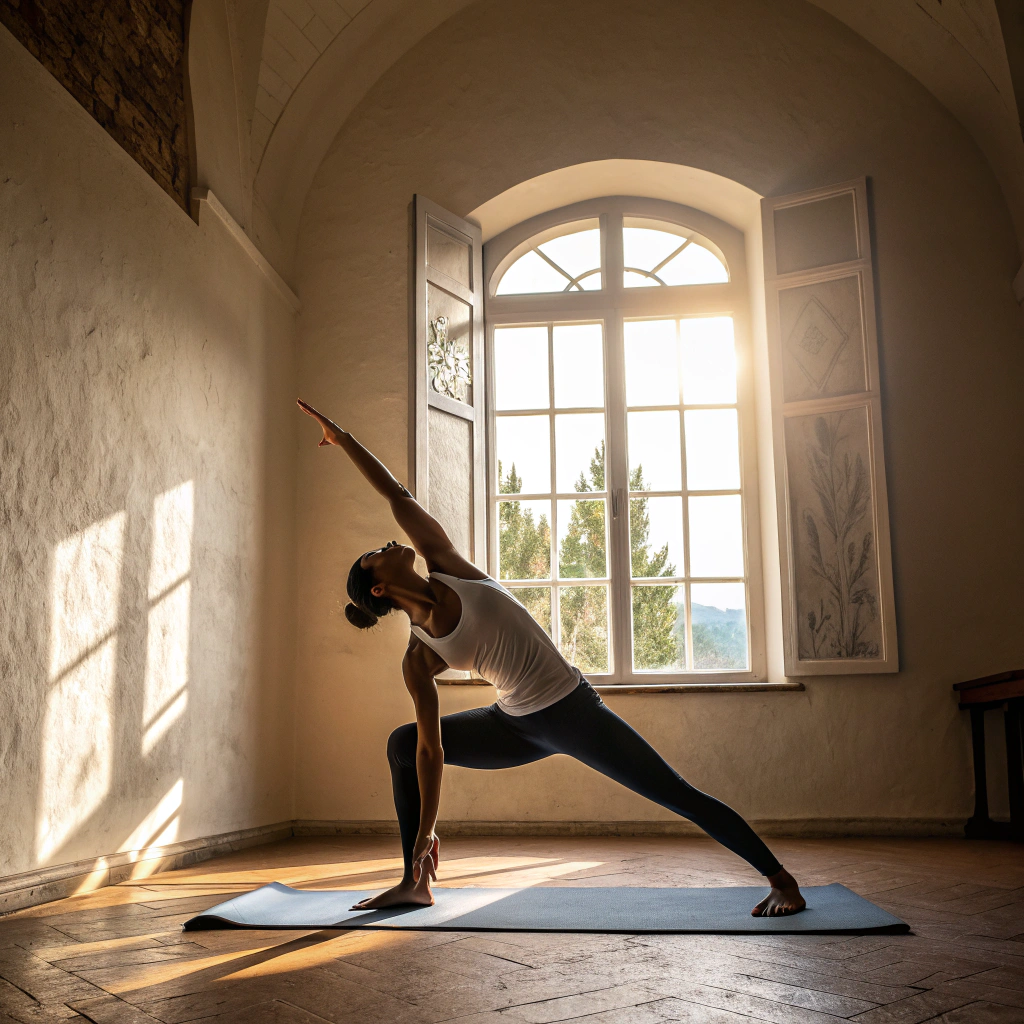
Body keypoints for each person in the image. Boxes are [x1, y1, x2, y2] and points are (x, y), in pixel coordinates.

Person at [298, 398, 806, 917]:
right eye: (375, 552)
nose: (386, 543)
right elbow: (429, 752)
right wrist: (426, 833)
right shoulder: (419, 658)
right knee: (402, 744)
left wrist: (343, 438)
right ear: (379, 589)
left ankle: (782, 880)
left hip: (572, 713)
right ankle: (414, 881)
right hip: (514, 726)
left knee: (676, 793)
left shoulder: (447, 564)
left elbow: (394, 494)